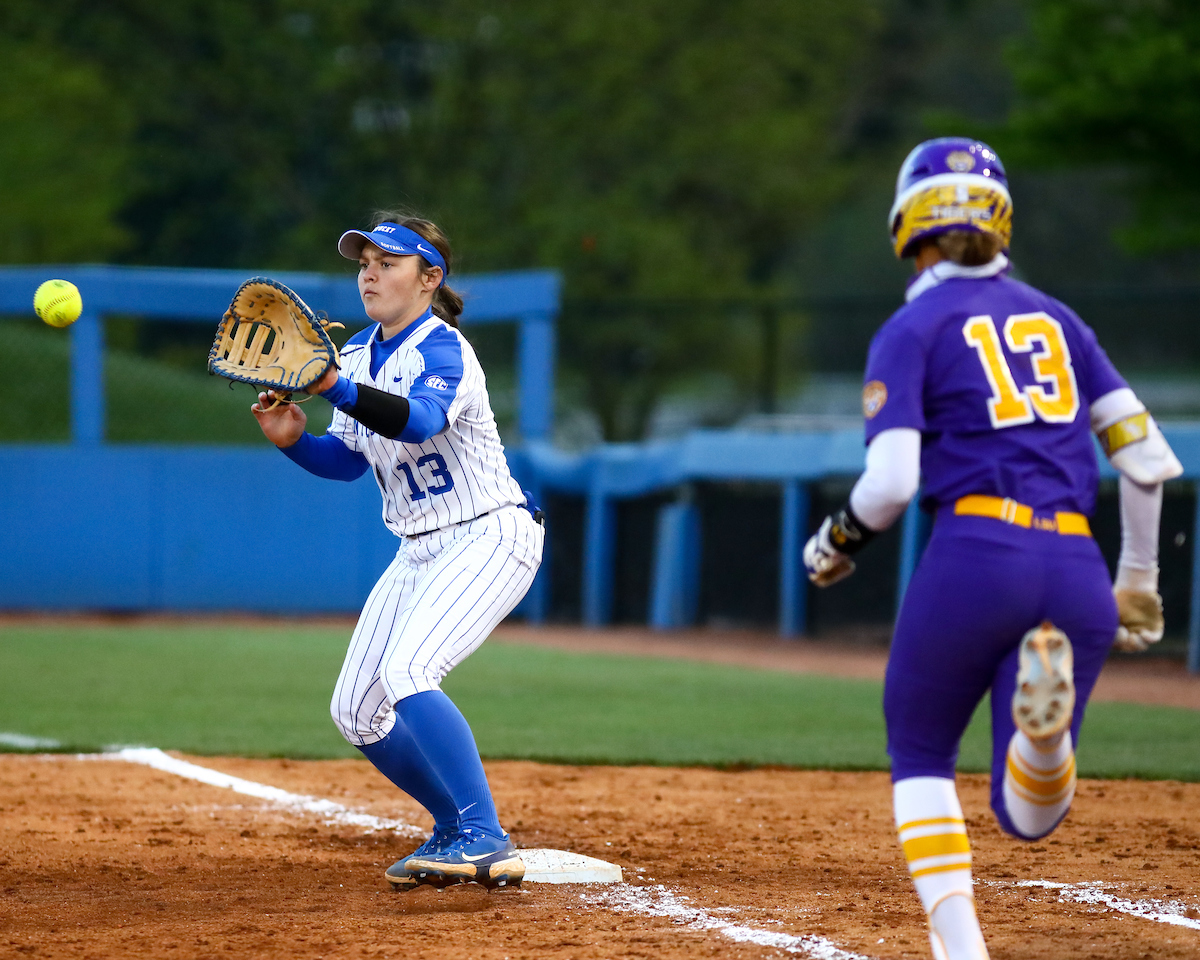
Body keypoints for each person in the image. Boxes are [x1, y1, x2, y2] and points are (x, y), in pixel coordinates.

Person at [803, 138, 1182, 960]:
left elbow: (893, 480)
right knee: (1029, 814)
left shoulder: (912, 326)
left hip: (977, 550)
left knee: (921, 749)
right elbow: (1148, 459)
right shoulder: (1062, 319)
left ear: (909, 223)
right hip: (1077, 562)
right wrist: (1140, 580)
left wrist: (836, 540)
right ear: (1000, 221)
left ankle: (961, 946)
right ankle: (1042, 745)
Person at [251, 212, 544, 892]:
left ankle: (484, 836)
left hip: (489, 532)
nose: (370, 273)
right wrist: (294, 439)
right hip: (418, 548)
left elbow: (418, 421)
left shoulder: (445, 350)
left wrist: (332, 388)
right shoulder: (351, 356)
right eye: (363, 263)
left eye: (388, 261)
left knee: (411, 669)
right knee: (356, 710)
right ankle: (452, 824)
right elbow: (348, 461)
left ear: (429, 277)